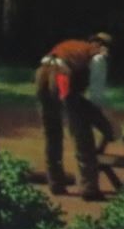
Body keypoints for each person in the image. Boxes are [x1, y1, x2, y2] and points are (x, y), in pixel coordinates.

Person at [34, 32, 117, 200]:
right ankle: (89, 188)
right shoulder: (98, 57)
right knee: (82, 134)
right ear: (104, 47)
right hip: (61, 78)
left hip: (42, 75)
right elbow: (96, 95)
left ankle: (55, 183)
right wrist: (103, 119)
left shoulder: (74, 46)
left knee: (52, 133)